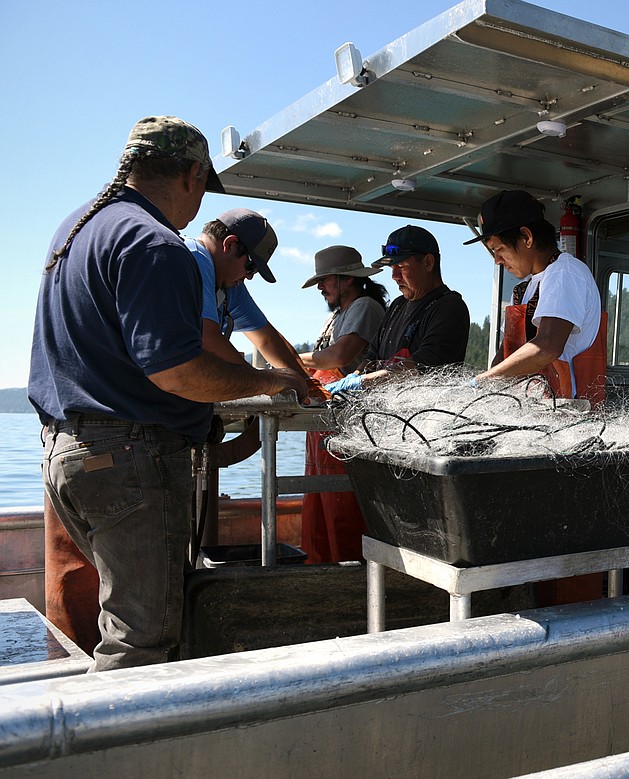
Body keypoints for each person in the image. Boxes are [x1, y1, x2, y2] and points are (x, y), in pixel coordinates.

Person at [30, 116, 310, 672]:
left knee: (128, 622)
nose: (200, 200)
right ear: (190, 175)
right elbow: (177, 372)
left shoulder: (78, 229)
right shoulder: (155, 244)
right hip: (129, 460)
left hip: (69, 453)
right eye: (204, 186)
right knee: (142, 644)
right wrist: (274, 383)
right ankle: (116, 757)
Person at [465, 190, 606, 403]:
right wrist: (483, 393)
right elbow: (508, 352)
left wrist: (482, 381)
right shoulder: (526, 288)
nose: (497, 260)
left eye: (499, 249)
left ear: (526, 237)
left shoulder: (564, 272)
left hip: (570, 414)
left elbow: (547, 347)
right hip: (535, 409)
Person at [297, 246, 387, 563]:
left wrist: (291, 359)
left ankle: (347, 573)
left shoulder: (364, 306)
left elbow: (339, 357)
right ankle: (322, 566)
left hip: (349, 424)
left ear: (346, 279)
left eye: (325, 280)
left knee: (343, 509)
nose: (321, 287)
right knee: (322, 504)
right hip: (325, 426)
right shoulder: (340, 314)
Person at [328, 225, 470, 392]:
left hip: (425, 414)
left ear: (428, 262)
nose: (394, 276)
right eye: (392, 268)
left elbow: (423, 366)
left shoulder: (449, 307)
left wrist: (363, 382)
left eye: (401, 267)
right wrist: (356, 375)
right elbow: (372, 357)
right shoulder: (397, 305)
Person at [186, 208, 306, 371]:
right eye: (251, 267)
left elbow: (267, 340)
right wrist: (262, 381)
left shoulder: (226, 282)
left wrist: (308, 385)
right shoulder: (195, 257)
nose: (249, 277)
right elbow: (208, 339)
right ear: (229, 244)